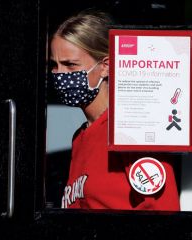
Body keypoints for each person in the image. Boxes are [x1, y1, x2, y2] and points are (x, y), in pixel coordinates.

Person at [49, 10, 180, 210]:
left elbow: (162, 212)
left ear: (105, 67)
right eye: (54, 65)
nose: (59, 74)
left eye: (70, 65)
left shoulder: (131, 130)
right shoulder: (80, 137)